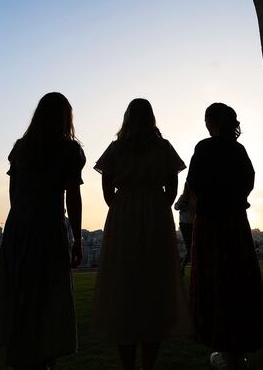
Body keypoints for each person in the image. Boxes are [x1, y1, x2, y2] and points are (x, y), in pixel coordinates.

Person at [92, 98, 191, 370]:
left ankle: (128, 365)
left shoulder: (116, 149)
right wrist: (155, 206)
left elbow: (107, 190)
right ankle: (148, 364)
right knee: (154, 286)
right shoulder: (163, 148)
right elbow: (172, 187)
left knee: (123, 286)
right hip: (156, 215)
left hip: (123, 215)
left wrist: (124, 207)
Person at [0, 92, 86, 370]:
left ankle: (23, 353)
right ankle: (46, 356)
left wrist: (21, 220)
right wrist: (77, 238)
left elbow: (13, 194)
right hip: (49, 227)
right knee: (50, 295)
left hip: (20, 226)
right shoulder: (69, 150)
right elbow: (73, 198)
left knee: (22, 293)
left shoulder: (22, 148)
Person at [188, 103, 263, 370]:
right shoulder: (238, 149)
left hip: (210, 222)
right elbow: (249, 180)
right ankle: (238, 348)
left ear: (211, 121)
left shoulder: (204, 148)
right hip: (235, 222)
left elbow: (195, 182)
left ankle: (224, 348)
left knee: (214, 280)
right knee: (238, 280)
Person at [174, 182, 196, 276]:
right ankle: (182, 267)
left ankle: (182, 267)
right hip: (186, 224)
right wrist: (181, 205)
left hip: (191, 223)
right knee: (190, 247)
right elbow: (176, 207)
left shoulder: (194, 198)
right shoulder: (184, 198)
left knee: (191, 247)